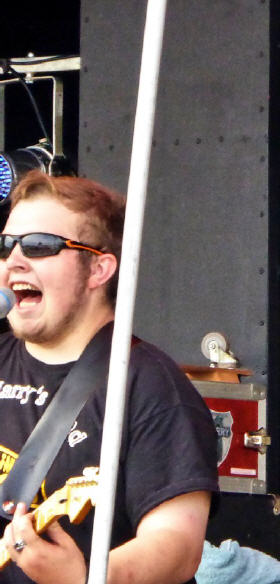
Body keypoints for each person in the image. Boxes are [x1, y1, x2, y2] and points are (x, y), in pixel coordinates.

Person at [0, 171, 219, 584]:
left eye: (39, 245)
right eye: (5, 245)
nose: (14, 261)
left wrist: (87, 577)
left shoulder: (150, 386)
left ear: (98, 269)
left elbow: (177, 545)